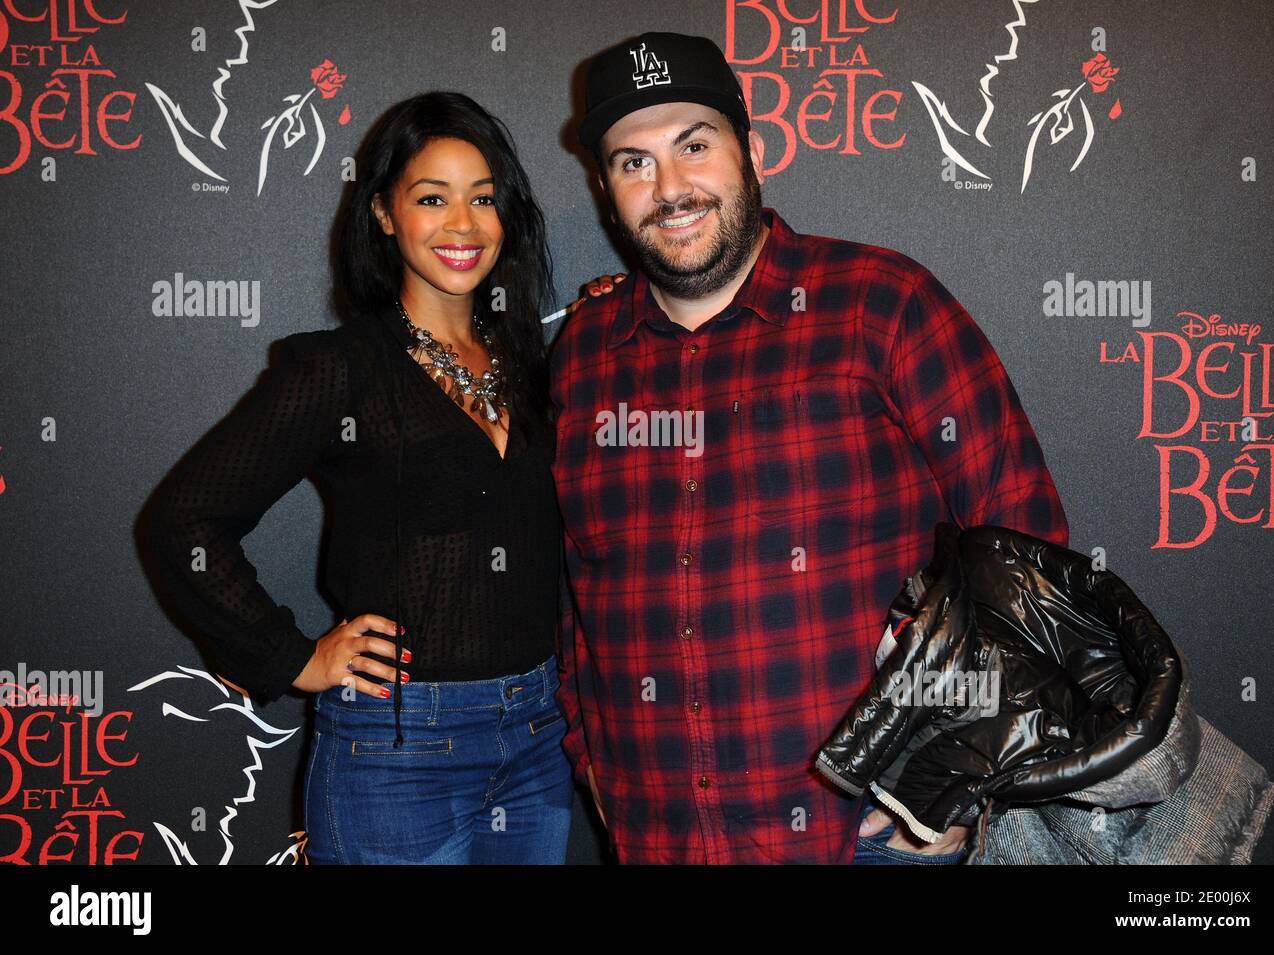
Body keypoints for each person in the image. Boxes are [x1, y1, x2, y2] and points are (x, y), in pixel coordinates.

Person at [550, 32, 1071, 864]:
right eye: (633, 162)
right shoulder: (582, 351)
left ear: (750, 152)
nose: (671, 188)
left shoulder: (881, 303)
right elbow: (578, 590)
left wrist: (960, 774)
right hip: (659, 837)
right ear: (607, 189)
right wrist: (593, 759)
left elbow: (1029, 555)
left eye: (694, 145)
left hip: (864, 840)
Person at [143, 91, 572, 864]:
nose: (463, 225)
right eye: (431, 198)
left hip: (539, 740)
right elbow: (185, 519)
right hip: (398, 752)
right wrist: (294, 657)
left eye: (483, 198)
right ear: (382, 212)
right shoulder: (340, 369)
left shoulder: (534, 361)